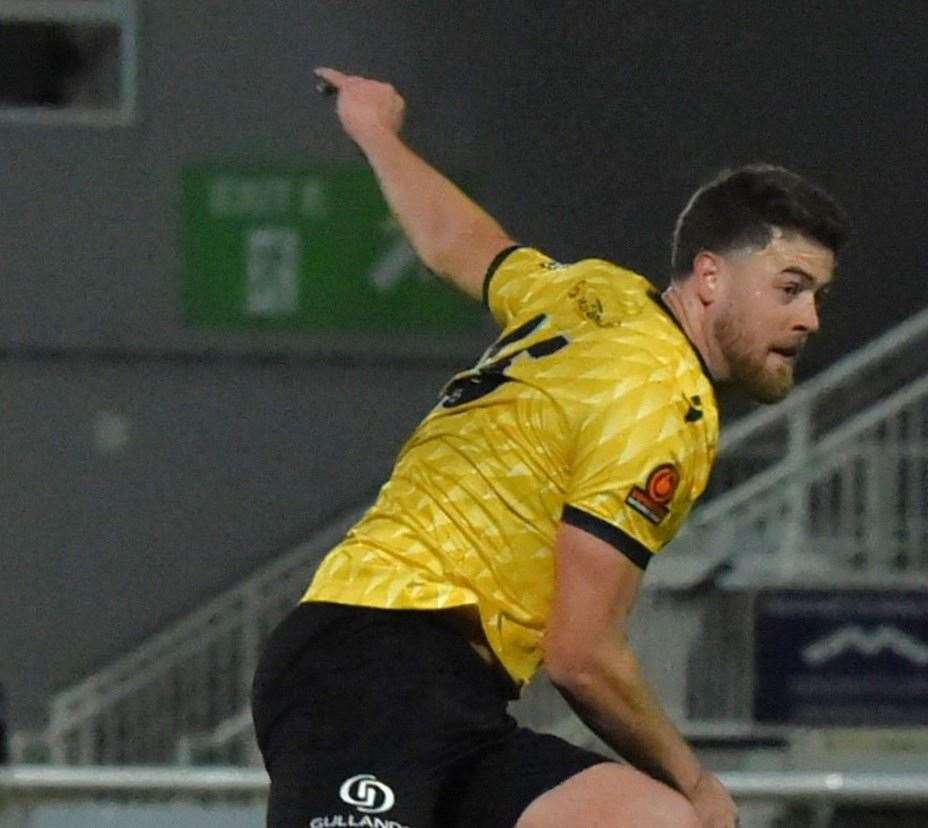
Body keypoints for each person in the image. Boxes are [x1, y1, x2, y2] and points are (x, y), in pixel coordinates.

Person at [251, 68, 849, 828]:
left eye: (818, 297)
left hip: (460, 705)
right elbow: (582, 654)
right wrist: (698, 784)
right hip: (370, 664)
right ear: (708, 277)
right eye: (789, 287)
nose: (809, 321)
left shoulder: (595, 295)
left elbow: (458, 244)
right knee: (685, 810)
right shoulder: (663, 398)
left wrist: (375, 132)